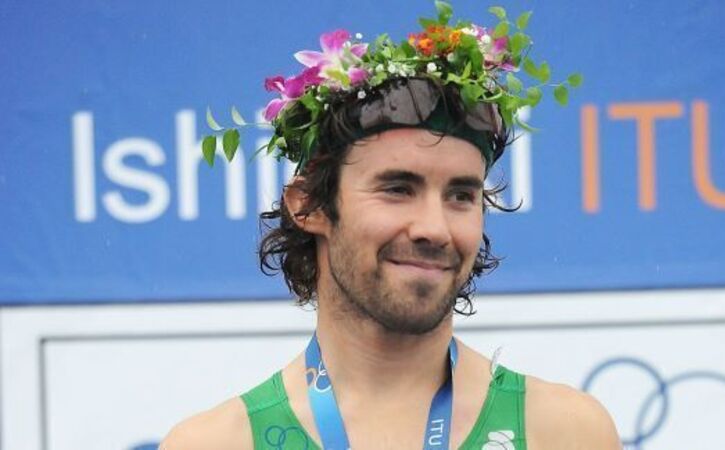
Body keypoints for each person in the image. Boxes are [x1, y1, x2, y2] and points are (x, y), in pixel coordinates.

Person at [162, 4, 620, 449]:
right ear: (309, 206)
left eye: (461, 196)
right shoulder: (216, 443)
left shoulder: (565, 432)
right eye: (398, 189)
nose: (434, 228)